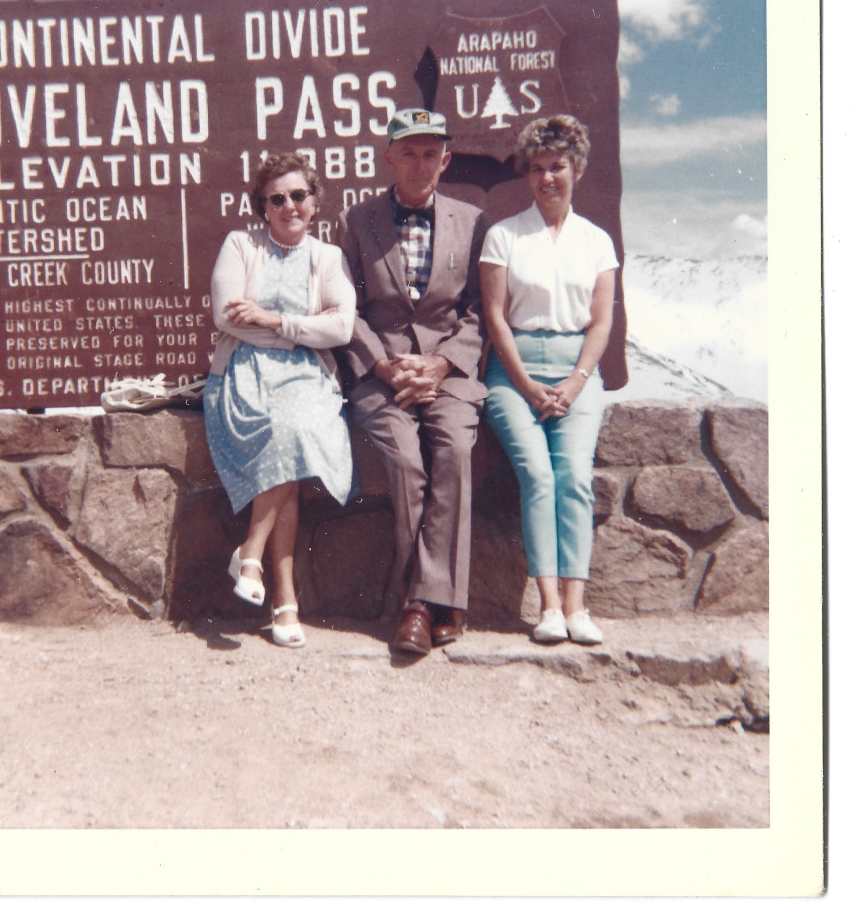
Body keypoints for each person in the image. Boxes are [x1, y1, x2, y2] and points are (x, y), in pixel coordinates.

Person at [336, 108, 489, 655]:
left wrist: (443, 365)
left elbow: (479, 310)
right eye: (408, 152)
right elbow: (344, 307)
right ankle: (434, 600)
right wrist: (382, 364)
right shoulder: (359, 221)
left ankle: (421, 606)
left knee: (453, 449)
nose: (419, 164)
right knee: (404, 460)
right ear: (389, 158)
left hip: (448, 373)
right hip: (383, 374)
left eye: (430, 153)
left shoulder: (472, 222)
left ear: (444, 160)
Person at [204, 152, 358, 649]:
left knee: (294, 426)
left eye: (299, 195)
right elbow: (227, 317)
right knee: (286, 435)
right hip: (243, 374)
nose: (290, 205)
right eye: (278, 198)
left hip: (309, 379)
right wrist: (298, 336)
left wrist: (274, 323)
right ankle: (285, 600)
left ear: (314, 202)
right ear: (263, 207)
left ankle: (251, 554)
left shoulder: (327, 258)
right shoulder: (240, 244)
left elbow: (341, 327)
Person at [479, 115, 619, 645]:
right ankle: (549, 607)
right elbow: (495, 318)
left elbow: (601, 321)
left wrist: (577, 382)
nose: (546, 178)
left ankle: (578, 606)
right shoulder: (504, 236)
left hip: (577, 372)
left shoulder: (596, 242)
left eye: (557, 166)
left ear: (576, 169)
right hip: (513, 374)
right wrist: (528, 385)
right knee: (537, 476)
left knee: (574, 479)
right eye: (536, 169)